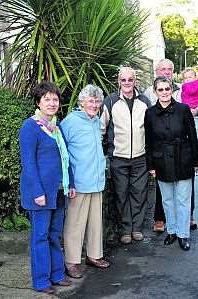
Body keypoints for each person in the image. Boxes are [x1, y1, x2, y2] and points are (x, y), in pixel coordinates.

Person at [19, 82, 76, 294]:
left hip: (59, 191)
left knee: (54, 235)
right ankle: (41, 281)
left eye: (55, 99)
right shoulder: (30, 127)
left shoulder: (56, 127)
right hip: (40, 194)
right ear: (38, 102)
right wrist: (37, 193)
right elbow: (29, 163)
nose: (52, 103)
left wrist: (70, 183)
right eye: (47, 99)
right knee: (40, 236)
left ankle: (57, 274)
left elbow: (65, 158)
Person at [60, 84, 110, 279]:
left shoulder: (96, 119)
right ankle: (71, 262)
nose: (94, 104)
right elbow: (62, 153)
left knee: (95, 222)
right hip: (79, 182)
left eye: (97, 101)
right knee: (75, 223)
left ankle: (94, 255)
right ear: (81, 102)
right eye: (90, 101)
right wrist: (69, 181)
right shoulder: (70, 121)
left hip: (96, 180)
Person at [145, 76, 198, 251]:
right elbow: (149, 140)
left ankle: (183, 235)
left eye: (167, 89)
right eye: (160, 90)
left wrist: (196, 161)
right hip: (161, 160)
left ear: (172, 90)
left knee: (183, 199)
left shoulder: (183, 110)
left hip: (183, 158)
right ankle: (172, 231)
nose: (164, 93)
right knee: (167, 199)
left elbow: (192, 136)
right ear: (155, 92)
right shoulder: (150, 113)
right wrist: (151, 165)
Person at [100, 66, 151, 244]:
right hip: (118, 157)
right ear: (119, 82)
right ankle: (125, 230)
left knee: (139, 193)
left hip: (140, 156)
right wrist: (104, 154)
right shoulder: (110, 101)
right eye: (124, 80)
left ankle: (136, 228)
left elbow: (151, 128)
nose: (127, 83)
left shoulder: (144, 101)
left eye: (130, 79)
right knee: (121, 194)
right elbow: (101, 128)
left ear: (135, 81)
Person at [143, 59, 182, 233]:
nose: (166, 72)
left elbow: (192, 109)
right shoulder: (147, 94)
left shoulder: (180, 90)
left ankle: (186, 218)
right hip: (159, 144)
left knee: (185, 185)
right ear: (155, 71)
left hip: (180, 145)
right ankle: (160, 218)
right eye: (162, 69)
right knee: (162, 186)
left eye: (169, 69)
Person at [180, 67, 198, 230]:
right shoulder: (183, 88)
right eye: (186, 78)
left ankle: (188, 216)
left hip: (191, 131)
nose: (189, 80)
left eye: (191, 77)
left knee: (187, 181)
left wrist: (197, 110)